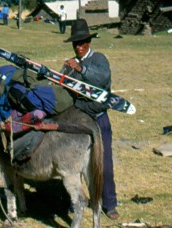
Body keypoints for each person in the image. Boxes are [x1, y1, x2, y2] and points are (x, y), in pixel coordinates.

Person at [62, 18, 119, 220]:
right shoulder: (70, 64)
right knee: (75, 163)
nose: (78, 47)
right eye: (75, 43)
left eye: (82, 42)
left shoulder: (99, 60)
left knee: (104, 162)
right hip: (79, 120)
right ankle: (77, 201)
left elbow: (101, 79)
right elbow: (63, 87)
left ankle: (109, 204)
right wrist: (64, 74)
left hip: (98, 118)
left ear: (89, 42)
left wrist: (80, 69)